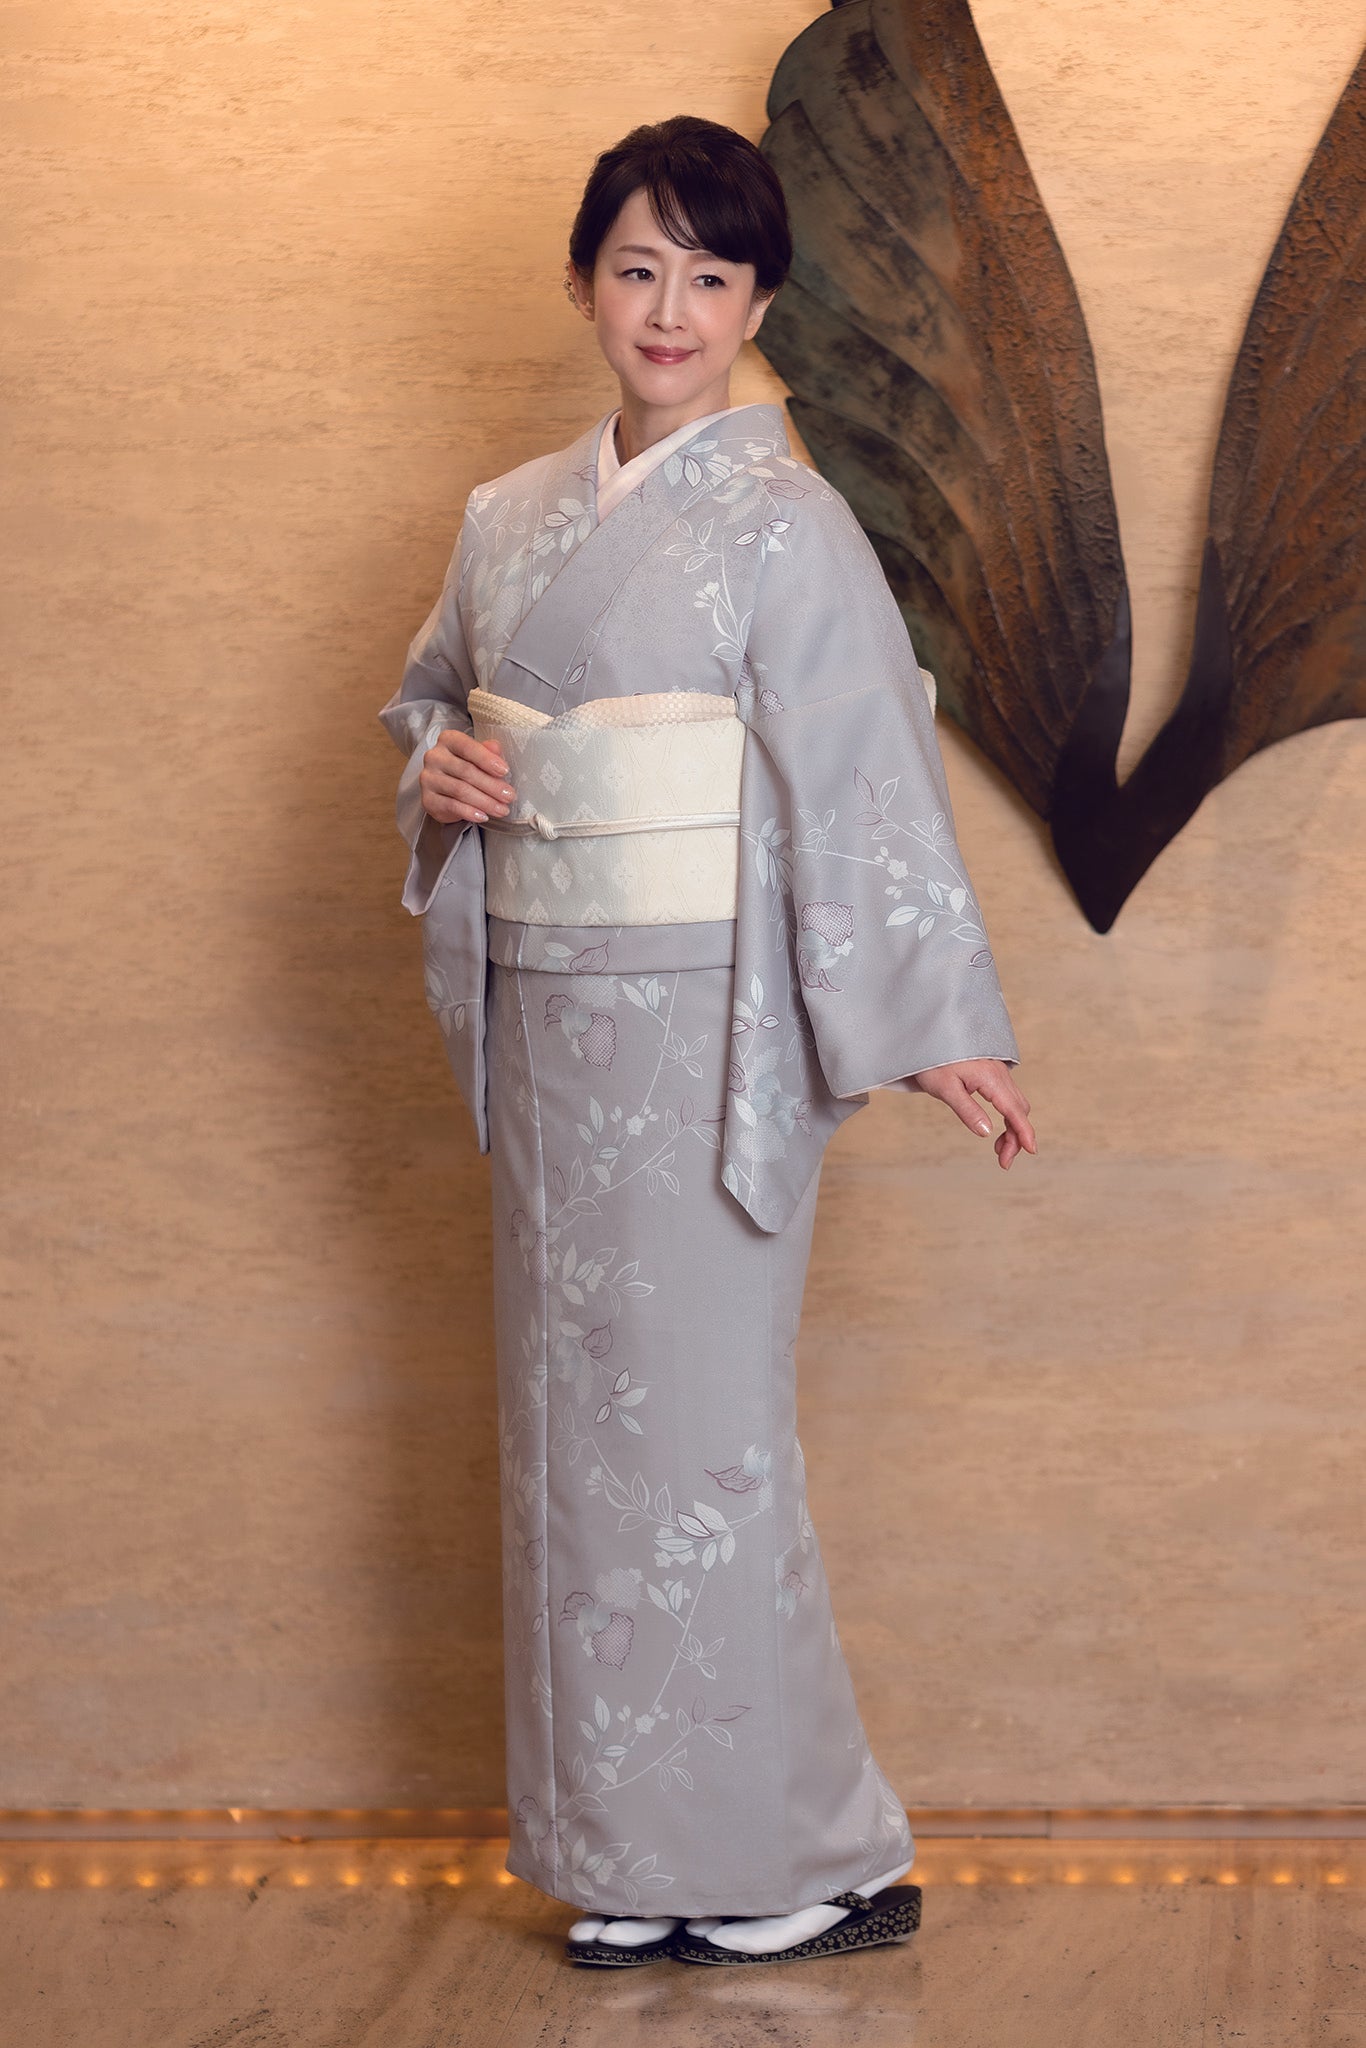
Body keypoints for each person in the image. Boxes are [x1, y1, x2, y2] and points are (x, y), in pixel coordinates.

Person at [377, 115, 1036, 1969]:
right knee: (576, 1455)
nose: (669, 310)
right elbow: (426, 710)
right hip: (553, 1044)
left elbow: (858, 770)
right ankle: (631, 1859)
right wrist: (444, 773)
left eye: (711, 276)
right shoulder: (505, 518)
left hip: (710, 1037)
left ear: (759, 307)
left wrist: (931, 1023)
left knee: (705, 1448)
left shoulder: (788, 523)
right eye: (637, 268)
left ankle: (798, 1854)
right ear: (584, 282)